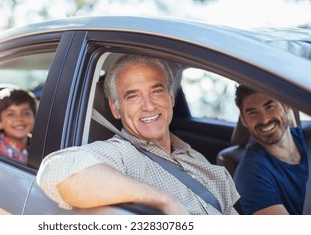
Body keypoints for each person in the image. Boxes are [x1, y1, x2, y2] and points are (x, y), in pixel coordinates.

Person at [36, 55, 239, 215]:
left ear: (170, 98)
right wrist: (164, 200)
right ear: (116, 108)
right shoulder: (121, 154)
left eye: (156, 91)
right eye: (133, 96)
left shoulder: (195, 156)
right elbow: (56, 171)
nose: (149, 106)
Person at [233, 85, 309, 215]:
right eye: (252, 112)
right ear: (244, 120)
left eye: (269, 106)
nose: (264, 119)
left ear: (286, 106)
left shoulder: (308, 135)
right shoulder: (249, 175)